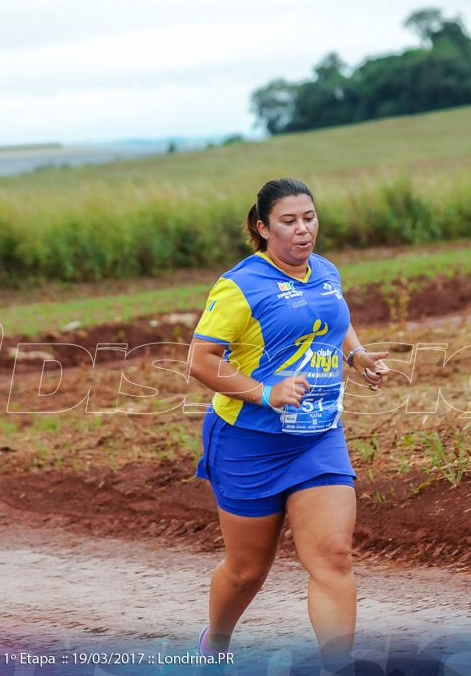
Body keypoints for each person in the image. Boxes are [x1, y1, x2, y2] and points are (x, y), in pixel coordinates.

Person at [187, 178, 389, 671]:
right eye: (289, 221)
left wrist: (357, 356)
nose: (303, 231)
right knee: (247, 570)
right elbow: (201, 360)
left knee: (334, 555)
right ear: (262, 227)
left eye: (310, 218)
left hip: (317, 436)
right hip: (247, 442)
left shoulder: (325, 270)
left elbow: (332, 320)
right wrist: (264, 392)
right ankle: (215, 643)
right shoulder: (239, 285)